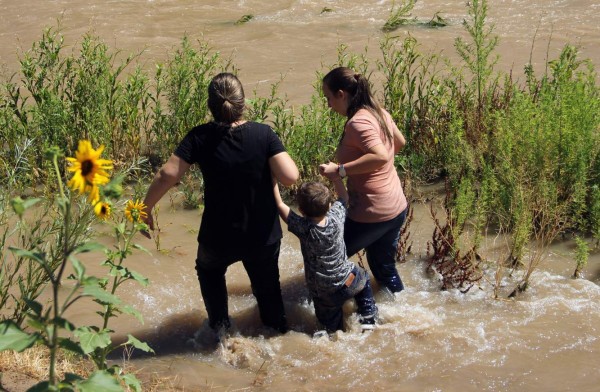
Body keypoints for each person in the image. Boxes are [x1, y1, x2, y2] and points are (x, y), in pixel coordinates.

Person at [141, 72, 299, 333]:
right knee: (268, 287)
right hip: (262, 235)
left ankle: (220, 330)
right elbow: (290, 177)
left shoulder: (199, 137)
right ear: (243, 102)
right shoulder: (264, 134)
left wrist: (145, 208)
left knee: (210, 272)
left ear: (209, 105)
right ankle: (276, 330)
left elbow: (168, 174)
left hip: (218, 235)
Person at [318, 66, 408, 294]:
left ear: (341, 94)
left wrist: (340, 170)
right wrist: (374, 172)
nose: (329, 105)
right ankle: (401, 309)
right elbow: (399, 143)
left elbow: (380, 155)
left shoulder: (358, 122)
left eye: (329, 98)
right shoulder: (379, 112)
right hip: (395, 207)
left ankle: (355, 300)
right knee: (385, 270)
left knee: (326, 259)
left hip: (370, 214)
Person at [273, 177, 378, 333]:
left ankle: (334, 333)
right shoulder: (336, 217)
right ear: (329, 205)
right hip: (349, 281)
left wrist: (273, 181)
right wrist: (335, 176)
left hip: (324, 294)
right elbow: (344, 197)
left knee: (329, 331)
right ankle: (368, 317)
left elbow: (281, 205)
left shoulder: (304, 228)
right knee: (363, 277)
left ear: (301, 210)